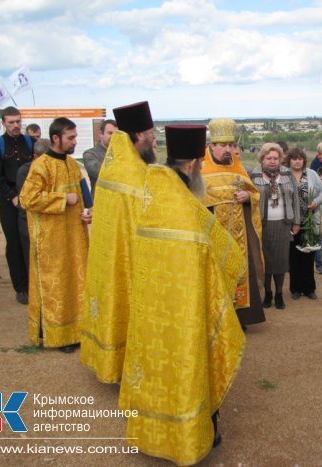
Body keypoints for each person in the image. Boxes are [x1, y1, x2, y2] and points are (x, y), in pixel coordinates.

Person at [119, 124, 245, 464]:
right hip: (186, 309)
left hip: (152, 308)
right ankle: (195, 434)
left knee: (157, 368)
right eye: (200, 165)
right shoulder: (184, 207)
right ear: (191, 164)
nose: (202, 170)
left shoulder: (153, 193)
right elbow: (225, 255)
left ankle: (150, 433)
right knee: (192, 363)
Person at [80, 101, 155, 383]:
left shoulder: (113, 171)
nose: (153, 139)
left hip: (109, 258)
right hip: (133, 258)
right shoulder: (137, 175)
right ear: (138, 136)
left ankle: (108, 359)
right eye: (150, 134)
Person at [19, 117, 92, 352]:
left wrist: (86, 212)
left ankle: (77, 330)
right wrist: (61, 199)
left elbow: (81, 196)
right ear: (55, 138)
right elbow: (27, 199)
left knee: (77, 281)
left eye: (75, 137)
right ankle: (59, 335)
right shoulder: (41, 166)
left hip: (75, 234)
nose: (74, 142)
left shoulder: (72, 164)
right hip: (51, 238)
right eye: (70, 138)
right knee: (57, 285)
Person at [201, 117, 266, 327]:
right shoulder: (201, 170)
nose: (228, 150)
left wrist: (248, 198)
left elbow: (254, 194)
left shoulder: (239, 169)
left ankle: (240, 317)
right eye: (223, 145)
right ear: (212, 146)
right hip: (214, 235)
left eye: (231, 145)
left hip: (239, 236)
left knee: (240, 272)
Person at [0, 106, 33, 304]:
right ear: (3, 123)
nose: (16, 126)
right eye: (11, 122)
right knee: (14, 243)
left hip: (29, 199)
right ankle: (20, 287)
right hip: (9, 201)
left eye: (18, 121)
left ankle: (33, 284)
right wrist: (12, 195)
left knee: (29, 243)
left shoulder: (30, 142)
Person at [249, 143, 300, 309]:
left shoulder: (287, 174)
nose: (272, 161)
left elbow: (295, 199)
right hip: (261, 225)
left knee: (280, 262)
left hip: (283, 224)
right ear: (262, 159)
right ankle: (267, 293)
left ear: (280, 159)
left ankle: (279, 294)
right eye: (268, 158)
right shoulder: (253, 174)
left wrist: (296, 221)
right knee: (265, 262)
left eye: (275, 158)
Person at [287, 147, 322, 300]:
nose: (297, 161)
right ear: (289, 160)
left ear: (304, 160)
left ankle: (309, 288)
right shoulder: (284, 175)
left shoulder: (312, 174)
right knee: (294, 256)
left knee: (308, 255)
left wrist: (316, 202)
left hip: (309, 220)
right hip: (291, 222)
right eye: (294, 158)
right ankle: (295, 288)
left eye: (300, 158)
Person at [16, 138, 50, 272]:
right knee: (34, 266)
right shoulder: (25, 171)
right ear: (35, 156)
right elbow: (28, 201)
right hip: (29, 224)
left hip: (48, 224)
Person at [83, 119, 118, 194]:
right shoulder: (90, 154)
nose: (113, 137)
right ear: (101, 134)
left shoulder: (121, 153)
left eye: (116, 134)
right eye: (110, 133)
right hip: (100, 202)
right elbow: (99, 172)